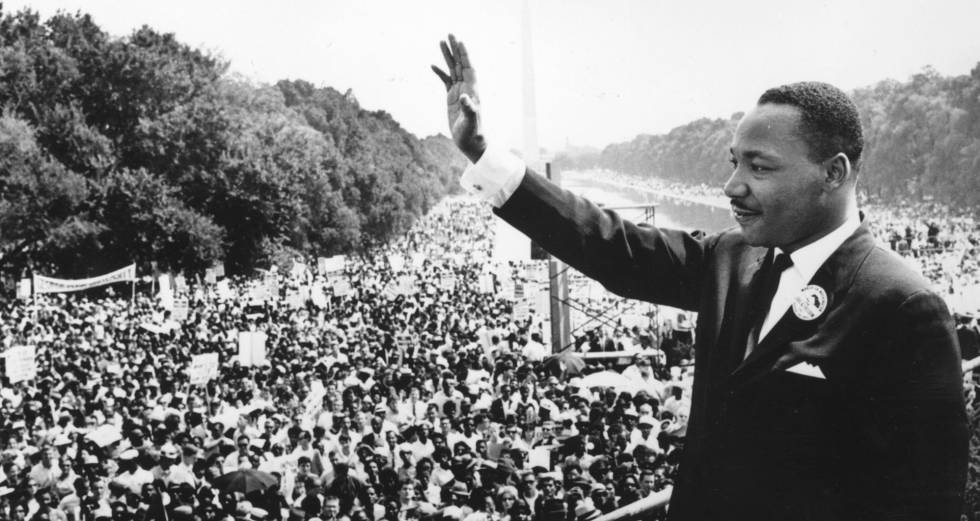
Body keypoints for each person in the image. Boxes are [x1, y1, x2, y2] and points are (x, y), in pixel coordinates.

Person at [432, 34, 968, 520]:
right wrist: (484, 154)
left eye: (759, 167)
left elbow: (925, 503)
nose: (732, 186)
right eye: (734, 163)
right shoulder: (732, 257)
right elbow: (609, 244)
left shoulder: (902, 306)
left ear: (834, 173)